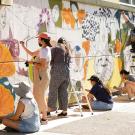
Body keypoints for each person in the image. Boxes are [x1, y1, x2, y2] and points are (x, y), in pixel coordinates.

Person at [20, 33, 51, 123]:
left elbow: (42, 64)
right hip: (42, 76)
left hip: (42, 76)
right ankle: (40, 116)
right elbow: (32, 53)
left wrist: (32, 62)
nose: (38, 40)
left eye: (39, 39)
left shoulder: (44, 51)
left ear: (42, 40)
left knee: (40, 97)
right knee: (38, 96)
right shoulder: (45, 49)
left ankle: (44, 118)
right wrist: (23, 45)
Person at [47, 37, 71, 116]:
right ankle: (64, 111)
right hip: (67, 71)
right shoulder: (67, 50)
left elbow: (50, 59)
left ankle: (50, 109)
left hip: (57, 70)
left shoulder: (56, 48)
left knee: (53, 89)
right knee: (63, 91)